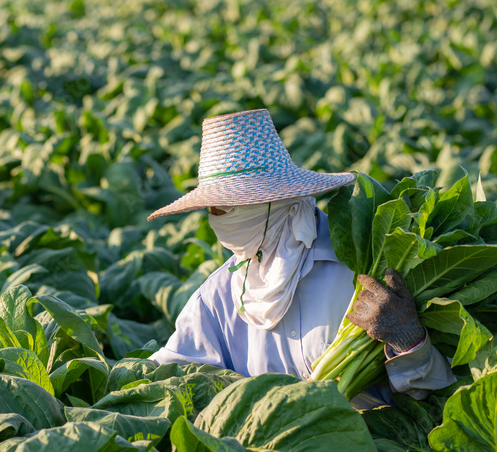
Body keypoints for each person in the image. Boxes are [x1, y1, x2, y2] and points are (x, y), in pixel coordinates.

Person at [146, 108, 455, 406]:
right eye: (211, 209)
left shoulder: (363, 266)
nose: (216, 220)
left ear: (272, 201)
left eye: (224, 208)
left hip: (375, 451)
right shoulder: (218, 297)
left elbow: (445, 397)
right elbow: (168, 376)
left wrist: (410, 343)